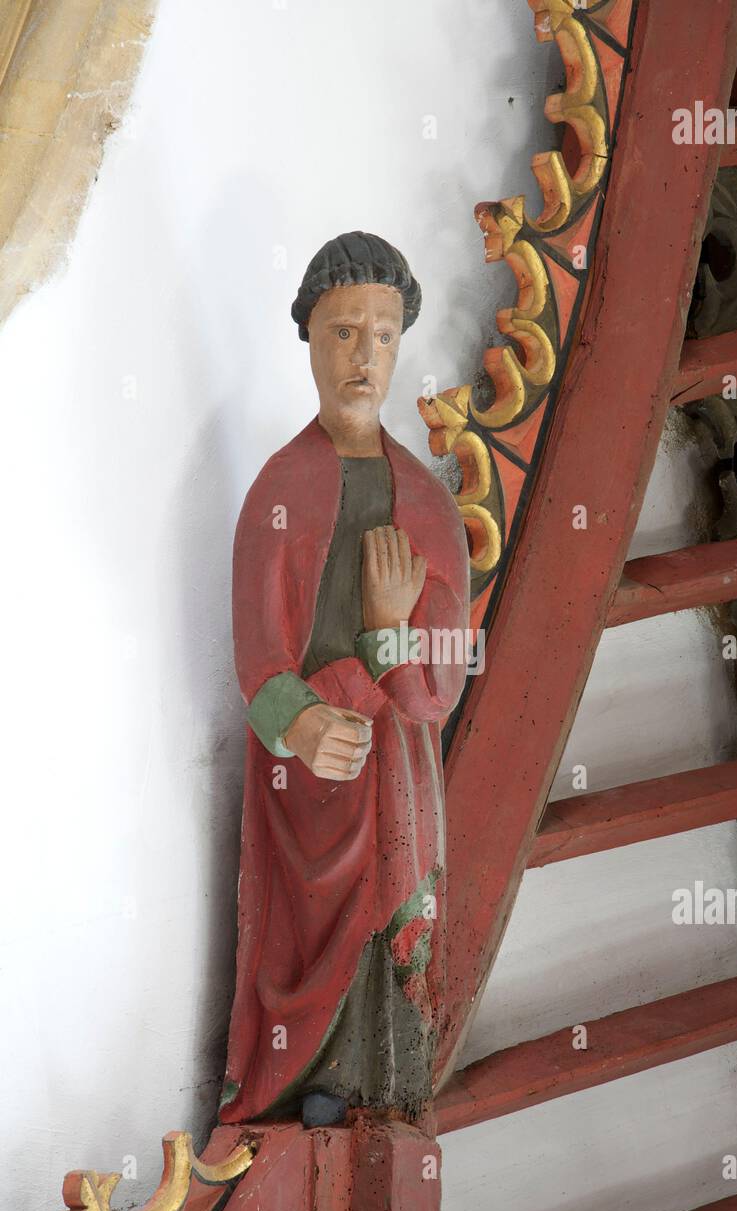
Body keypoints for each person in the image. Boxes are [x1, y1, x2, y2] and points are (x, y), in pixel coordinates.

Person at [219, 232, 471, 1129]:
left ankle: (378, 1092)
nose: (364, 357)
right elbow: (259, 664)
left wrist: (388, 641)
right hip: (308, 787)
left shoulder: (428, 505)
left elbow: (436, 688)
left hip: (394, 773)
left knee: (385, 938)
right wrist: (298, 726)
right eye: (342, 332)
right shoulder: (279, 489)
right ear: (309, 337)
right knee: (303, 930)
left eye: (384, 333)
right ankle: (298, 1097)